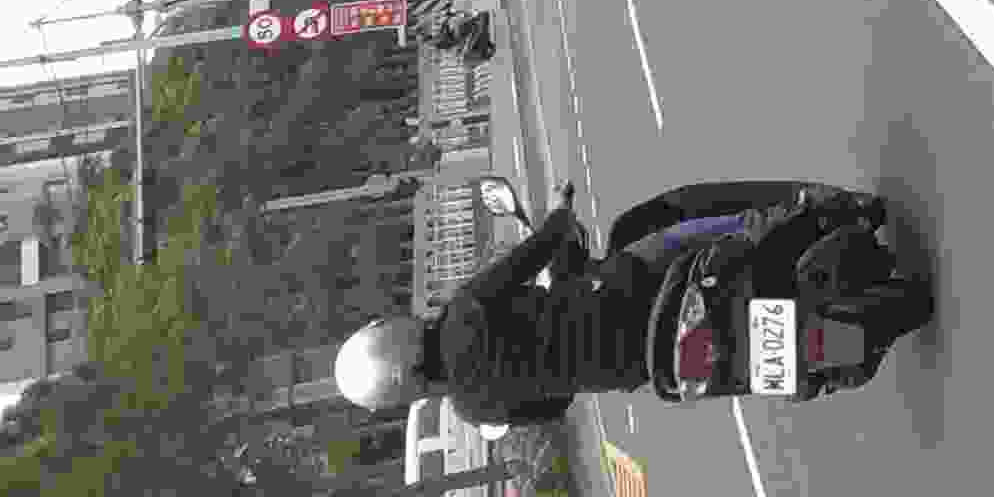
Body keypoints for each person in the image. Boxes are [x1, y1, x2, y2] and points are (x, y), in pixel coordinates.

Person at [333, 182, 817, 427]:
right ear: (391, 333)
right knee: (678, 235)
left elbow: (556, 404)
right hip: (628, 292)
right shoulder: (466, 309)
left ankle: (797, 374)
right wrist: (560, 209)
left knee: (718, 373)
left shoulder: (475, 409)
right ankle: (789, 213)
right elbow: (542, 247)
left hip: (640, 366)